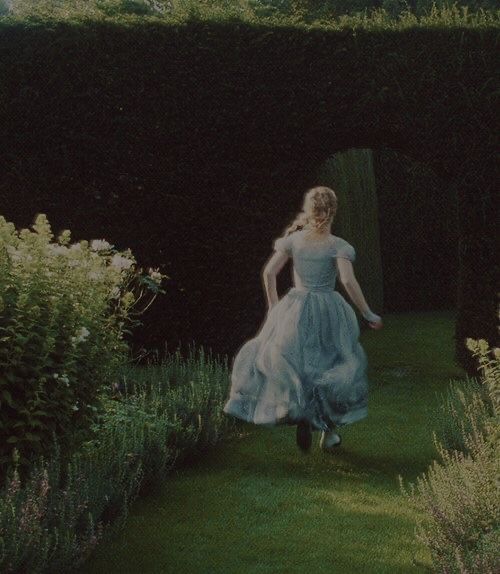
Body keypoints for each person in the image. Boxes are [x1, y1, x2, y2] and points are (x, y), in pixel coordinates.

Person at [223, 186, 383, 453]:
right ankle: (329, 435)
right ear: (332, 211)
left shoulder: (294, 241)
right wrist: (367, 313)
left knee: (293, 364)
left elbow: (269, 273)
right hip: (328, 310)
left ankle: (298, 411)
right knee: (330, 366)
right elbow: (346, 280)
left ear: (309, 211)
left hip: (294, 308)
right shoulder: (337, 246)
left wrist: (274, 306)